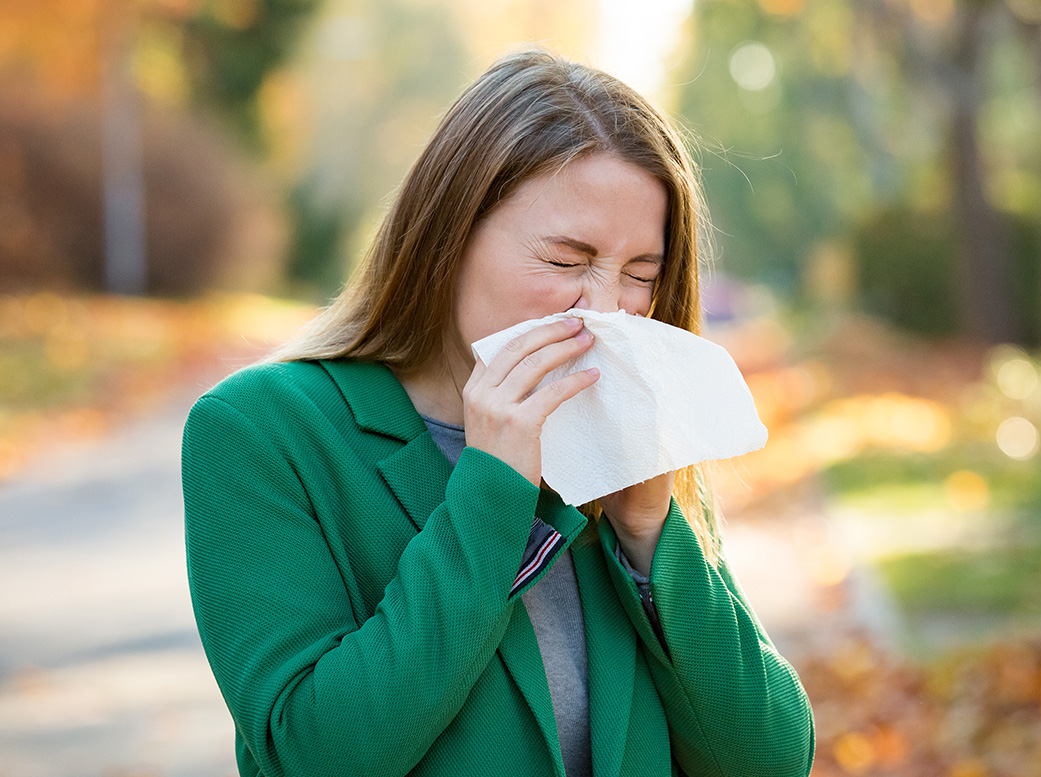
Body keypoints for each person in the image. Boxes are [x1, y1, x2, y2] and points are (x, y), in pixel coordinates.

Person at [180, 47, 815, 777]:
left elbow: (771, 759)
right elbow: (317, 755)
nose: (605, 307)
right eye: (565, 261)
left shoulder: (630, 445)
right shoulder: (263, 431)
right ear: (446, 240)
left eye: (641, 273)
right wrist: (489, 493)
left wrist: (650, 534)